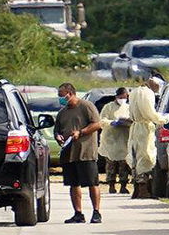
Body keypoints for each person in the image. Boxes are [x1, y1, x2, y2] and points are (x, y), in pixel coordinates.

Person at [53, 83, 104, 223]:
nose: (60, 99)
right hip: (69, 154)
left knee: (92, 183)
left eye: (62, 96)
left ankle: (96, 212)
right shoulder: (62, 113)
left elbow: (97, 124)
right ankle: (78, 213)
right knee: (73, 184)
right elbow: (57, 130)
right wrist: (58, 136)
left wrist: (81, 132)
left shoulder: (86, 106)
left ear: (70, 94)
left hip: (86, 152)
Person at [126, 75, 169, 198]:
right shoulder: (147, 94)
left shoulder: (135, 92)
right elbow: (150, 114)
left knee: (135, 156)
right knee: (146, 157)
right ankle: (143, 190)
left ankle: (137, 189)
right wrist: (165, 118)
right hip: (144, 129)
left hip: (135, 128)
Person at [98, 87, 132, 194]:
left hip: (124, 139)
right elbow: (102, 120)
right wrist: (112, 122)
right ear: (116, 97)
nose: (122, 99)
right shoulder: (108, 107)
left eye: (124, 97)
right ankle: (111, 185)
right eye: (120, 97)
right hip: (110, 139)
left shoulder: (129, 108)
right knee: (111, 164)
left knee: (124, 164)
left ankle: (123, 185)